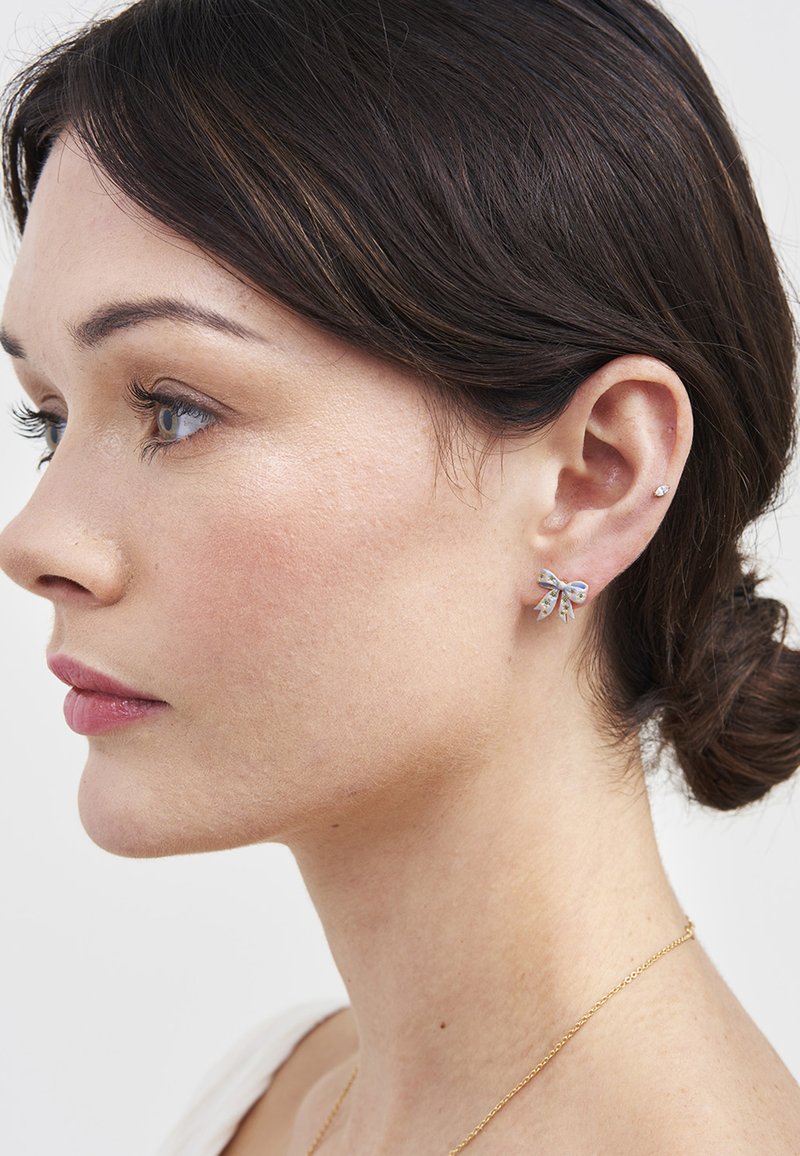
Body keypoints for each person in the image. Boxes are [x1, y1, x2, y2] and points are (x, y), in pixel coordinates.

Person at [1, 0, 799, 1152]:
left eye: (174, 409)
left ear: (593, 479)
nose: (37, 540)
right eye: (47, 419)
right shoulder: (278, 1091)